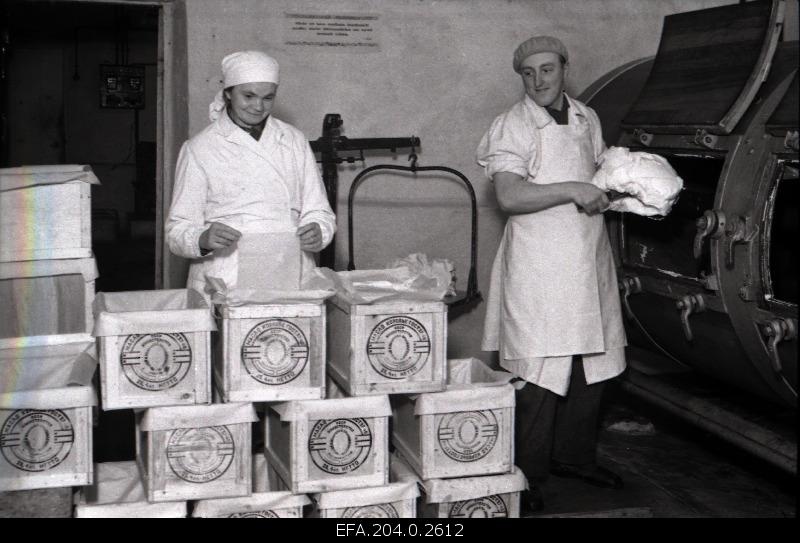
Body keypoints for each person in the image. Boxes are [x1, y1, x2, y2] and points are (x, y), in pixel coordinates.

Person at [476, 36, 627, 512]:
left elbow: (597, 177)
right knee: (540, 371)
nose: (539, 81)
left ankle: (575, 458)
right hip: (541, 262)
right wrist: (575, 189)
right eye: (528, 73)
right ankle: (527, 472)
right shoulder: (513, 125)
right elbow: (510, 197)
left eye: (547, 70)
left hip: (586, 253)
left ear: (564, 67)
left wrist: (633, 184)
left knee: (593, 363)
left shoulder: (586, 116)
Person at [166, 50, 335, 295]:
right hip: (226, 276)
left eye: (268, 97)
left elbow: (319, 211)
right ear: (228, 94)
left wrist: (319, 231)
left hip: (288, 268)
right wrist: (202, 239)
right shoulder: (200, 148)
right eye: (248, 96)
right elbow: (177, 230)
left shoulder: (293, 140)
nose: (258, 106)